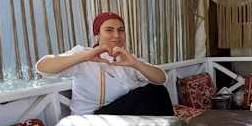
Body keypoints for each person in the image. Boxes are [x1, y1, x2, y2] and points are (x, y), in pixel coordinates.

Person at [36, 11, 174, 116]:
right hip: (91, 119)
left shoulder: (127, 58)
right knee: (150, 93)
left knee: (157, 90)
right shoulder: (83, 54)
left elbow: (161, 79)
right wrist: (85, 56)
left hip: (120, 117)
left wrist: (136, 64)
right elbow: (42, 67)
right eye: (109, 30)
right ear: (98, 34)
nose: (117, 35)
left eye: (121, 30)